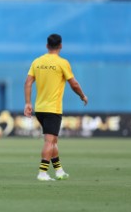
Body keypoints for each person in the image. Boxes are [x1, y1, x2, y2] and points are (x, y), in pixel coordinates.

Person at [24, 34, 88, 181]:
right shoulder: (62, 63)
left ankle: (59, 171)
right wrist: (82, 96)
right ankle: (42, 173)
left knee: (53, 141)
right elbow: (74, 84)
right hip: (53, 109)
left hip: (40, 108)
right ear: (61, 46)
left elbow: (27, 83)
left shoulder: (37, 61)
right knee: (49, 141)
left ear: (47, 46)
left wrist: (28, 103)